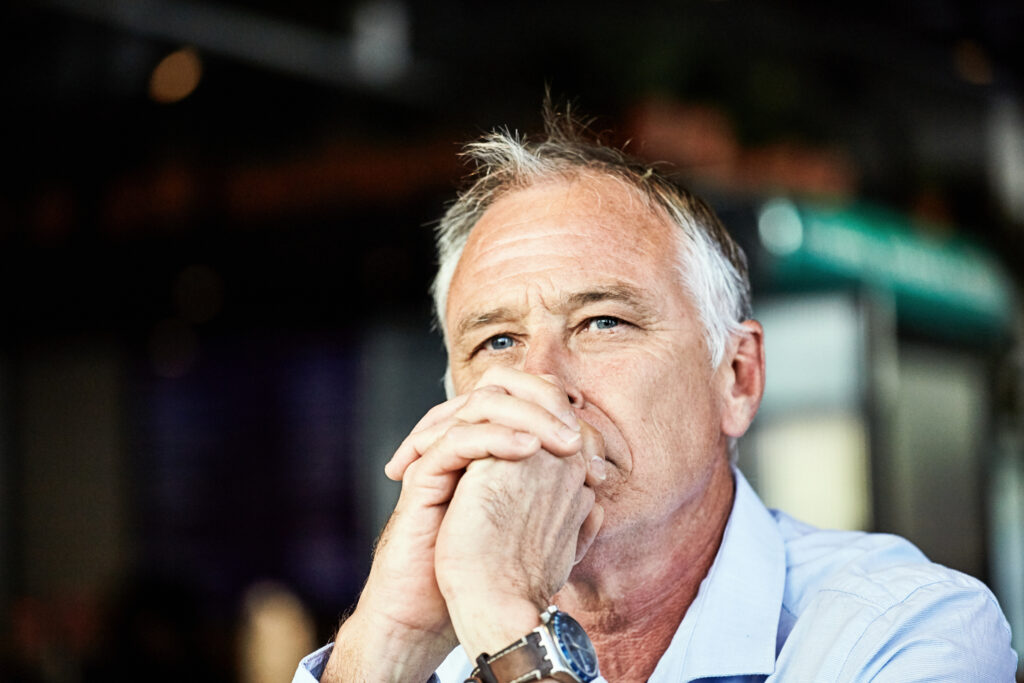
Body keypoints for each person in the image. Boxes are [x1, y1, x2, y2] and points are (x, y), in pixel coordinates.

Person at [293, 105, 1018, 682]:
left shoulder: (905, 627)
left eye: (603, 321)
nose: (540, 381)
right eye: (497, 342)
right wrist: (387, 642)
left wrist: (508, 629)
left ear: (737, 379)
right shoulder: (446, 646)